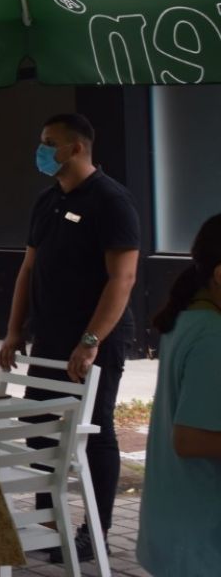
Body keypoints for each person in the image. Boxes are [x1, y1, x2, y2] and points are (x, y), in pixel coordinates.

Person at [0, 112, 139, 563]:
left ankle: (95, 531)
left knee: (94, 431)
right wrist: (14, 330)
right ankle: (48, 523)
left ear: (76, 148)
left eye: (49, 142)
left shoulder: (111, 200)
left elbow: (123, 278)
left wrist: (91, 340)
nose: (41, 149)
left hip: (96, 340)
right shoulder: (47, 200)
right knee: (40, 427)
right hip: (49, 336)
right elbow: (28, 268)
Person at [137, 214, 221, 575]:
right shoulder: (212, 335)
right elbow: (190, 440)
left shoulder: (190, 320)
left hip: (176, 531)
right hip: (200, 540)